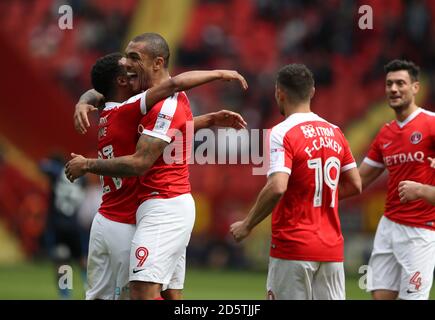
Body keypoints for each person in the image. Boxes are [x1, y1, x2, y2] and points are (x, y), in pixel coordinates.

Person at [66, 34, 248, 300]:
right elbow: (106, 92)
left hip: (162, 207)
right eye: (126, 58)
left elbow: (143, 157)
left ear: (157, 62)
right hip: (143, 208)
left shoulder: (151, 104)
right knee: (168, 294)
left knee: (140, 291)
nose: (127, 63)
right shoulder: (137, 101)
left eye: (134, 58)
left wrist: (87, 164)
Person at [230, 64, 361, 300]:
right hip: (331, 249)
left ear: (279, 92)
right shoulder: (335, 131)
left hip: (294, 246)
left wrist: (247, 224)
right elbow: (355, 185)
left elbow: (278, 186)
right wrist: (318, 194)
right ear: (312, 91)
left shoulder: (281, 133)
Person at [348, 59, 435, 300]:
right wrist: (319, 190)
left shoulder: (431, 124)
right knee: (380, 296)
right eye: (389, 84)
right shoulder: (385, 132)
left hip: (420, 230)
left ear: (415, 88)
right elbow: (359, 180)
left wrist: (421, 190)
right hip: (388, 226)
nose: (394, 89)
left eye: (400, 83)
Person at [39, 153, 87, 299]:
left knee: (62, 260)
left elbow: (42, 165)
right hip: (74, 224)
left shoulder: (56, 171)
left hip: (58, 225)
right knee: (81, 258)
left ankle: (65, 295)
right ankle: (90, 286)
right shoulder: (82, 177)